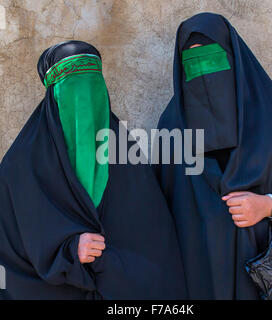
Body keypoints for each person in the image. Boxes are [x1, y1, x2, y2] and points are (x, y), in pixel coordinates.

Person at [0, 40, 187, 300]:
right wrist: (66, 252)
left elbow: (156, 249)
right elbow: (10, 256)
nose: (84, 101)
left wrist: (111, 267)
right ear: (53, 95)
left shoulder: (127, 159)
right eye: (73, 88)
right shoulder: (19, 168)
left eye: (92, 86)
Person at [154, 13, 272, 299]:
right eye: (192, 65)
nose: (204, 74)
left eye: (213, 60)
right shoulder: (172, 128)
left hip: (265, 280)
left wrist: (269, 205)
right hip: (197, 279)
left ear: (234, 59)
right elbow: (158, 214)